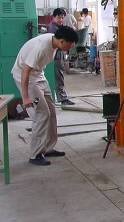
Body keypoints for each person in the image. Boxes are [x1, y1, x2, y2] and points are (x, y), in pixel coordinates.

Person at [12, 26, 79, 166]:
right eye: (71, 43)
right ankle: (35, 154)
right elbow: (25, 71)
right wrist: (25, 97)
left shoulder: (53, 42)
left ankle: (48, 148)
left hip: (38, 76)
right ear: (62, 41)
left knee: (51, 112)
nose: (72, 46)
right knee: (42, 114)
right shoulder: (41, 47)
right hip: (27, 78)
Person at [47, 8, 75, 106]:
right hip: (56, 54)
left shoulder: (59, 27)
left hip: (60, 54)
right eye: (59, 17)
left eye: (63, 18)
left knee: (60, 75)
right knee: (58, 76)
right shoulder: (53, 28)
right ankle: (62, 98)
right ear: (54, 17)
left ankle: (61, 96)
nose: (61, 20)